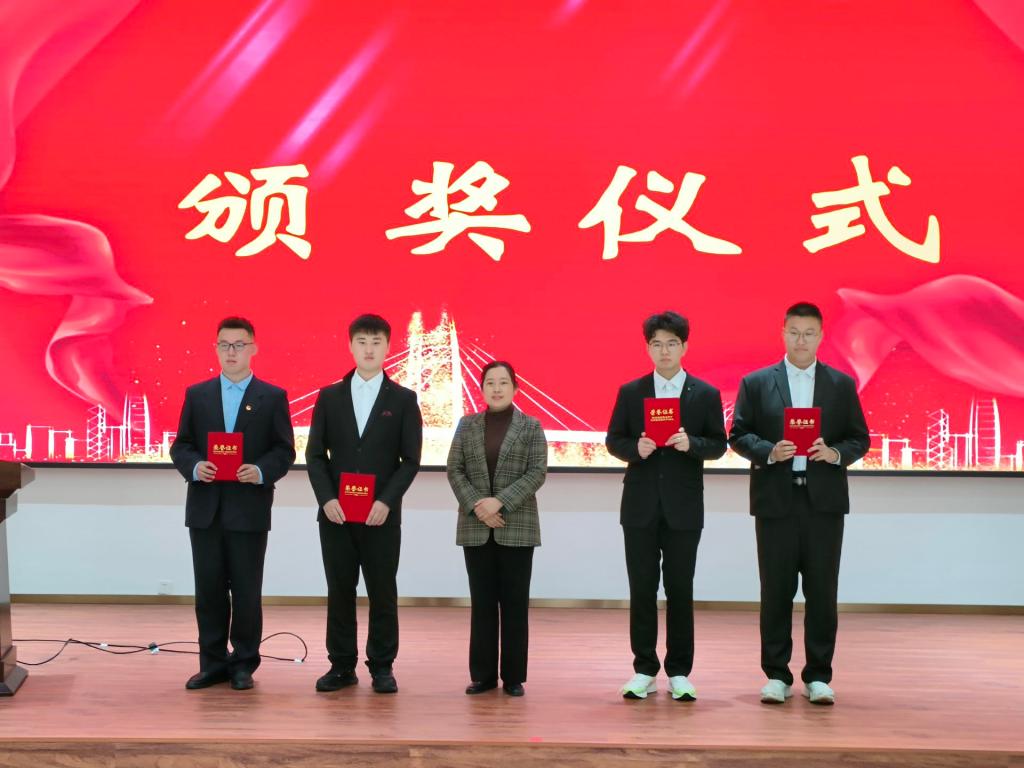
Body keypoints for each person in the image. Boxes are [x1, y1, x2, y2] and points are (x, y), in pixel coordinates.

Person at [729, 301, 870, 706]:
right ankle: (776, 675)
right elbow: (738, 434)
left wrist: (835, 453)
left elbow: (860, 438)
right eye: (794, 332)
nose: (801, 340)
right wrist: (770, 451)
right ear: (783, 333)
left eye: (809, 333)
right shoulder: (757, 382)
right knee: (776, 590)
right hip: (776, 499)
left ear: (821, 336)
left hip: (824, 502)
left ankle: (818, 676)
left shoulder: (841, 384)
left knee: (822, 591)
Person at [605, 311, 727, 701]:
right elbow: (613, 440)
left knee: (680, 589)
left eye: (672, 343)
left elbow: (719, 445)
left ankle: (679, 671)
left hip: (684, 508)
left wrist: (692, 444)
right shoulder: (632, 391)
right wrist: (635, 448)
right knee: (641, 589)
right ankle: (643, 669)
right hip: (639, 506)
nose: (664, 351)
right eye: (657, 344)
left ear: (684, 346)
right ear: (648, 348)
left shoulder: (704, 394)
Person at [170, 316, 295, 691]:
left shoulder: (272, 397)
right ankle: (211, 663)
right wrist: (196, 467)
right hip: (205, 509)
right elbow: (181, 445)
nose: (231, 352)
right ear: (216, 349)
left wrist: (260, 470)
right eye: (224, 345)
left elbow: (284, 450)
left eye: (239, 345)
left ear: (253, 348)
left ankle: (243, 664)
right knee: (208, 591)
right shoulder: (198, 394)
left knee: (246, 592)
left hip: (249, 508)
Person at [306, 314, 423, 694]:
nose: (369, 349)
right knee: (340, 591)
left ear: (388, 347)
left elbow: (411, 460)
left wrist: (387, 501)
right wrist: (326, 498)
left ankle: (382, 666)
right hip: (336, 515)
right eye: (362, 342)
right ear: (350, 346)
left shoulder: (403, 400)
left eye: (376, 342)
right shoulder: (329, 397)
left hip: (380, 516)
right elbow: (314, 456)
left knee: (382, 592)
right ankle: (341, 666)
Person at [446, 361, 547, 697]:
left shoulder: (531, 427)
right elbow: (454, 469)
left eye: (504, 382)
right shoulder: (467, 425)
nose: (497, 388)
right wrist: (479, 505)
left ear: (515, 388)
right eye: (490, 382)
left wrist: (499, 502)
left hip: (517, 526)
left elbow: (537, 473)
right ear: (482, 389)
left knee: (515, 605)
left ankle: (514, 677)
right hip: (476, 526)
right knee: (483, 604)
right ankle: (483, 676)